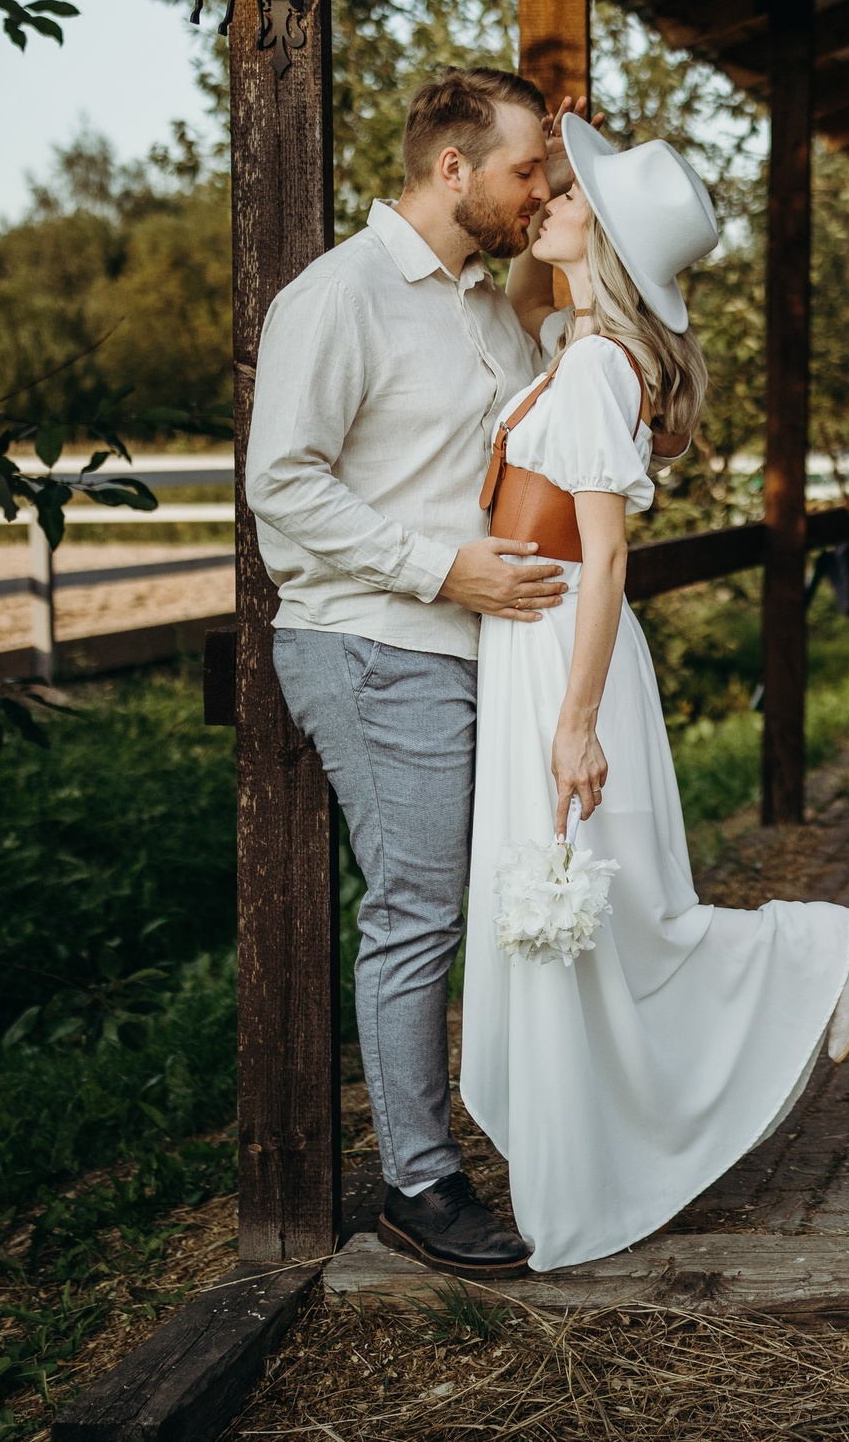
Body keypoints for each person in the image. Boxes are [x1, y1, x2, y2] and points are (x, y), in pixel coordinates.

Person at [458, 112, 849, 1273]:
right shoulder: (581, 349)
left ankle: (814, 959)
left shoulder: (595, 367)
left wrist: (575, 721)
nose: (545, 197)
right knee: (592, 922)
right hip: (540, 645)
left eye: (568, 194)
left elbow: (606, 559)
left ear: (608, 240)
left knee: (606, 918)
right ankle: (579, 1173)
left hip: (563, 654)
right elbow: (532, 304)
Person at [246, 67, 567, 1279]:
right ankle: (417, 1186)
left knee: (494, 910)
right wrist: (444, 571)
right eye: (525, 169)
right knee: (417, 919)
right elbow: (282, 483)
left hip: (476, 647)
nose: (538, 192)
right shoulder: (339, 296)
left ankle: (510, 1133)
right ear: (452, 169)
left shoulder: (488, 310)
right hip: (377, 647)